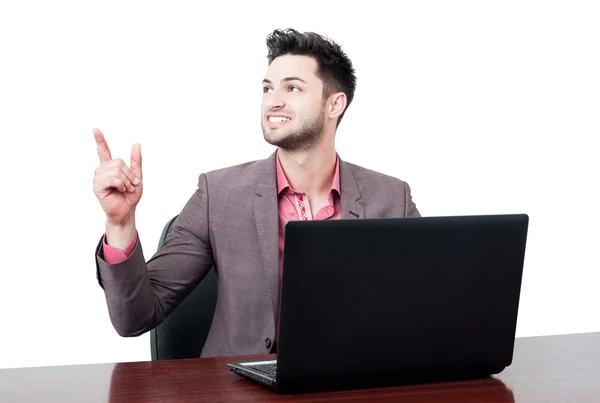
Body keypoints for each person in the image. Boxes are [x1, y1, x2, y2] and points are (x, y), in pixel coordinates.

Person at [93, 28, 421, 358]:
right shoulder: (218, 195)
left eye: (292, 87)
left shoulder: (393, 198)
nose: (273, 100)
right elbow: (133, 318)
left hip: (353, 385)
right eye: (267, 88)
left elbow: (424, 313)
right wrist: (120, 223)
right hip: (241, 388)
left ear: (335, 104)